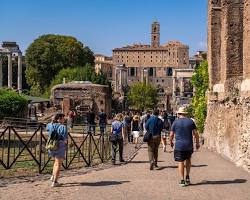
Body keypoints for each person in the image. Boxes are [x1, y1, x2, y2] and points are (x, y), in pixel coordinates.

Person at [169, 107, 200, 187]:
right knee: (188, 160)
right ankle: (187, 177)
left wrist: (171, 142)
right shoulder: (191, 122)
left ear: (179, 114)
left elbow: (171, 134)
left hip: (179, 145)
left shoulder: (175, 122)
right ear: (186, 114)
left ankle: (182, 180)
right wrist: (197, 143)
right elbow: (195, 133)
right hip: (189, 145)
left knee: (181, 162)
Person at [46, 113, 68, 187]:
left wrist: (52, 121)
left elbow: (47, 129)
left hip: (51, 145)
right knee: (58, 164)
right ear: (59, 119)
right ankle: (55, 182)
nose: (64, 119)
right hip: (60, 146)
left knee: (55, 162)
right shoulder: (63, 127)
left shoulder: (50, 125)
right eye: (62, 118)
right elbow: (65, 139)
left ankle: (53, 176)